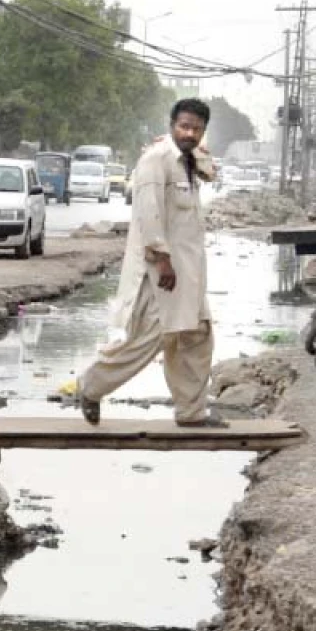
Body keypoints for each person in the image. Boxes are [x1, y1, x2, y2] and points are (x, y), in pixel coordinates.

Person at [77, 98, 226, 428]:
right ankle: (91, 386)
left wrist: (195, 149)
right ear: (171, 125)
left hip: (189, 273)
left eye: (196, 129)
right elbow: (149, 215)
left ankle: (191, 411)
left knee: (197, 336)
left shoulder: (186, 160)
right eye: (183, 126)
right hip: (164, 273)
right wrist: (162, 261)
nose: (189, 133)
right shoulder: (155, 160)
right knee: (152, 339)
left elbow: (211, 171)